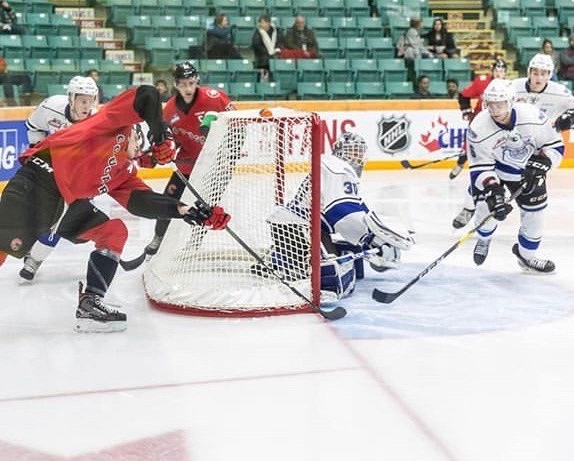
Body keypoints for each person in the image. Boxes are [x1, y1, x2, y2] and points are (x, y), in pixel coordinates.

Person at [0, 85, 231, 334]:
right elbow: (145, 94)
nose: (138, 152)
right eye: (140, 143)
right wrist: (160, 130)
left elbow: (144, 203)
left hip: (66, 202)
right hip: (39, 181)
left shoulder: (124, 171)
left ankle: (91, 304)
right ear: (137, 130)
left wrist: (191, 211)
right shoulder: (113, 121)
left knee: (114, 231)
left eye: (143, 150)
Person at [253, 132, 414, 300]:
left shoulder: (332, 167)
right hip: (298, 229)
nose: (357, 157)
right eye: (352, 151)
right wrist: (371, 239)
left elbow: (358, 210)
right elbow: (341, 214)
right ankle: (288, 264)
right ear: (339, 152)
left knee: (353, 259)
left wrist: (375, 242)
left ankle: (279, 259)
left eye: (360, 152)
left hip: (297, 225)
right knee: (335, 273)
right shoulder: (337, 168)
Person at [134, 61, 234, 260]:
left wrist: (228, 155)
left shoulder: (215, 99)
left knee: (207, 207)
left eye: (191, 83)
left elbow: (237, 126)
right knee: (168, 200)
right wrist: (155, 155)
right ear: (176, 84)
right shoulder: (169, 109)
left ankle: (195, 241)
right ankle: (158, 238)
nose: (187, 88)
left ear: (196, 80)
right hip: (186, 163)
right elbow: (169, 142)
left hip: (215, 164)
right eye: (183, 84)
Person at [466, 79, 564, 272]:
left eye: (500, 103)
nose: (495, 109)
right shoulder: (478, 127)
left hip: (528, 169)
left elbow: (555, 145)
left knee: (535, 214)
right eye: (490, 104)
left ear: (511, 101)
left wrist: (543, 164)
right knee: (488, 207)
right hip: (496, 169)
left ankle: (527, 256)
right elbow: (479, 167)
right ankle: (484, 239)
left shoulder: (532, 115)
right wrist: (493, 189)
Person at [18, 76, 100, 280]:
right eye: (83, 100)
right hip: (50, 169)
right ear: (71, 99)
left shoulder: (98, 120)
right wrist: (38, 150)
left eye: (91, 100)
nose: (87, 106)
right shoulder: (51, 106)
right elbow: (32, 125)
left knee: (60, 219)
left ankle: (34, 260)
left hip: (77, 177)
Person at [449, 59, 508, 229]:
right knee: (479, 174)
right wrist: (467, 111)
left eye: (502, 70)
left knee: (500, 177)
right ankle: (468, 208)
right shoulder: (482, 82)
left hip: (502, 137)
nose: (499, 73)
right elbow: (463, 96)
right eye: (496, 69)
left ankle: (495, 204)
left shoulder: (511, 87)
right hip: (480, 132)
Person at [251, 14, 283, 81]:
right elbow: (256, 45)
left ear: (268, 23)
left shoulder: (277, 31)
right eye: (260, 22)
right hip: (263, 56)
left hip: (275, 54)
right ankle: (265, 77)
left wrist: (276, 50)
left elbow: (280, 43)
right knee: (268, 59)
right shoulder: (257, 32)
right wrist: (269, 53)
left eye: (262, 22)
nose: (261, 24)